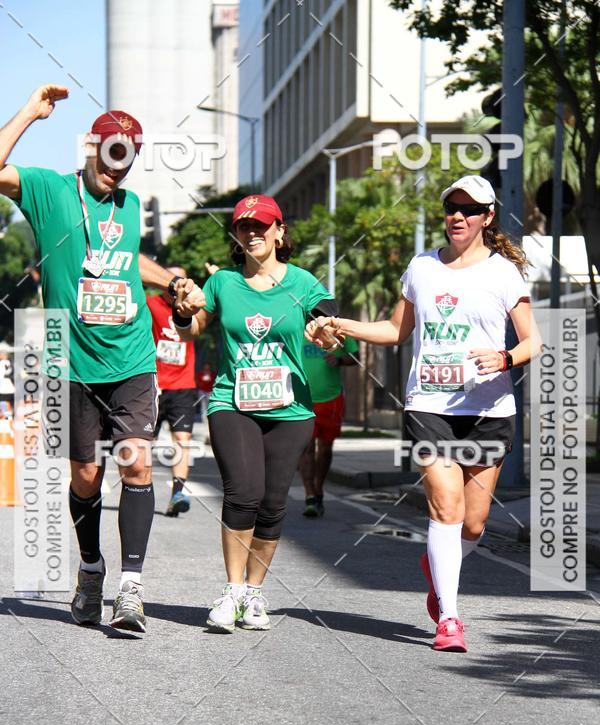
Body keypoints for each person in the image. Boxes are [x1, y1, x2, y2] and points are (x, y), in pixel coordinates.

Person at [307, 175, 541, 653]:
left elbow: (533, 339)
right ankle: (450, 618)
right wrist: (339, 322)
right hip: (429, 405)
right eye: (451, 207)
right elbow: (396, 331)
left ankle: (438, 568)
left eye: (469, 209)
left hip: (488, 409)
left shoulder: (503, 274)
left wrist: (506, 358)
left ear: (487, 217)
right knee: (446, 508)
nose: (458, 216)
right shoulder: (422, 268)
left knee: (473, 525)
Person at [0, 84, 203, 634]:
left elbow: (125, 260)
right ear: (92, 148)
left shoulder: (129, 204)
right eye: (112, 153)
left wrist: (177, 278)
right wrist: (30, 112)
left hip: (132, 356)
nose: (119, 168)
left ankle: (131, 590)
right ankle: (91, 569)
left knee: (136, 461)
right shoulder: (47, 189)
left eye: (129, 158)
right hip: (69, 358)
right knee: (86, 475)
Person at [173, 193, 338, 633]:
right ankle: (232, 591)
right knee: (242, 492)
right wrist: (183, 309)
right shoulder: (223, 283)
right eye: (244, 226)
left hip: (291, 408)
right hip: (233, 402)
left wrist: (324, 330)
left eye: (261, 226)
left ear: (279, 232)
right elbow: (193, 326)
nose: (252, 233)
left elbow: (327, 315)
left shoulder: (301, 282)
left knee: (272, 502)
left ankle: (255, 593)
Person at [147, 265, 198, 517]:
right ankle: (138, 489)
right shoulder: (149, 304)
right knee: (144, 444)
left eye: (181, 279)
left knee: (183, 440)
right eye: (172, 279)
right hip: (153, 384)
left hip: (182, 385)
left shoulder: (193, 307)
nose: (176, 284)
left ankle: (178, 492)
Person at [298, 335, 358, 517]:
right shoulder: (298, 326)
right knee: (306, 447)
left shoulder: (339, 331)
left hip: (331, 399)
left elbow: (355, 357)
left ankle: (318, 488)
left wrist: (339, 359)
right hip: (302, 398)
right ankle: (309, 494)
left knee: (325, 448)